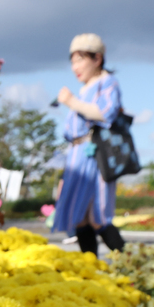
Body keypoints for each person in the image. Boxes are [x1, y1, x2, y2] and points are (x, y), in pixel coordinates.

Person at [53, 33, 125, 257]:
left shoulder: (107, 82)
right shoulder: (85, 89)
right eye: (73, 61)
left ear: (97, 59)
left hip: (95, 155)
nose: (75, 66)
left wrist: (71, 102)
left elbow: (105, 113)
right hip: (77, 155)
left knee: (98, 215)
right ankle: (90, 268)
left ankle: (132, 265)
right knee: (80, 216)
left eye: (80, 59)